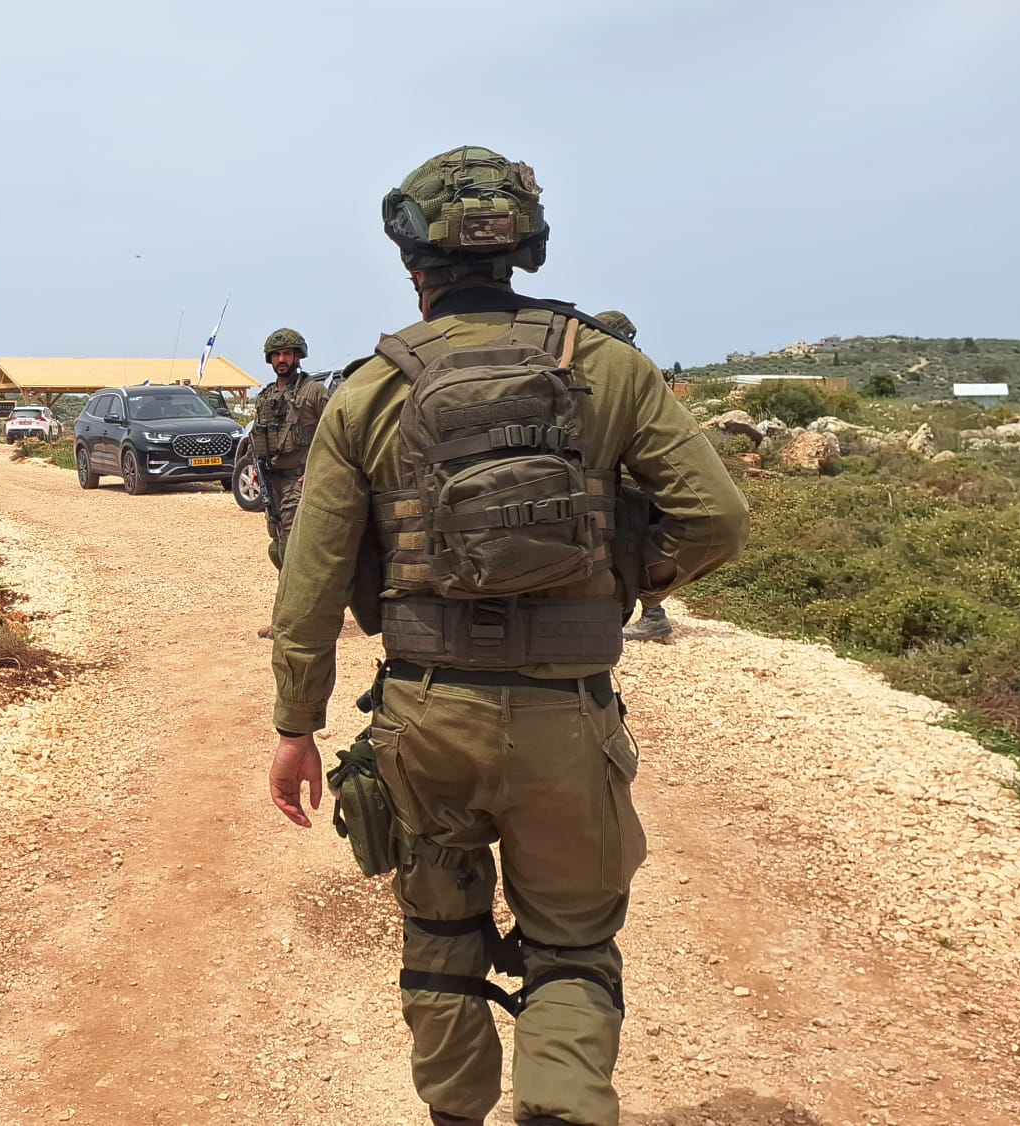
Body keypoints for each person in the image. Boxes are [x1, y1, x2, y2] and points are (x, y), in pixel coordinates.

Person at [266, 146, 747, 1126]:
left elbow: (309, 581)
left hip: (423, 713)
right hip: (566, 716)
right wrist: (625, 578)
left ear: (412, 264)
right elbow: (714, 517)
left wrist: (293, 723)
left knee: (438, 936)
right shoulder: (606, 365)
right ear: (523, 250)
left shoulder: (365, 389)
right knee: (571, 945)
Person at [591, 310, 672, 643]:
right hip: (648, 474)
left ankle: (652, 613)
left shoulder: (625, 371)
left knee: (629, 543)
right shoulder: (638, 368)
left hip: (635, 476)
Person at [250, 328, 330, 571]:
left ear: (298, 356)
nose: (281, 360)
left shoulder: (313, 392)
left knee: (294, 543)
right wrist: (256, 468)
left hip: (300, 480)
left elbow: (335, 433)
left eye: (286, 354)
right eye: (276, 355)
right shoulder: (265, 396)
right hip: (272, 480)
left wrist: (316, 470)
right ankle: (289, 589)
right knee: (277, 544)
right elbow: (257, 436)